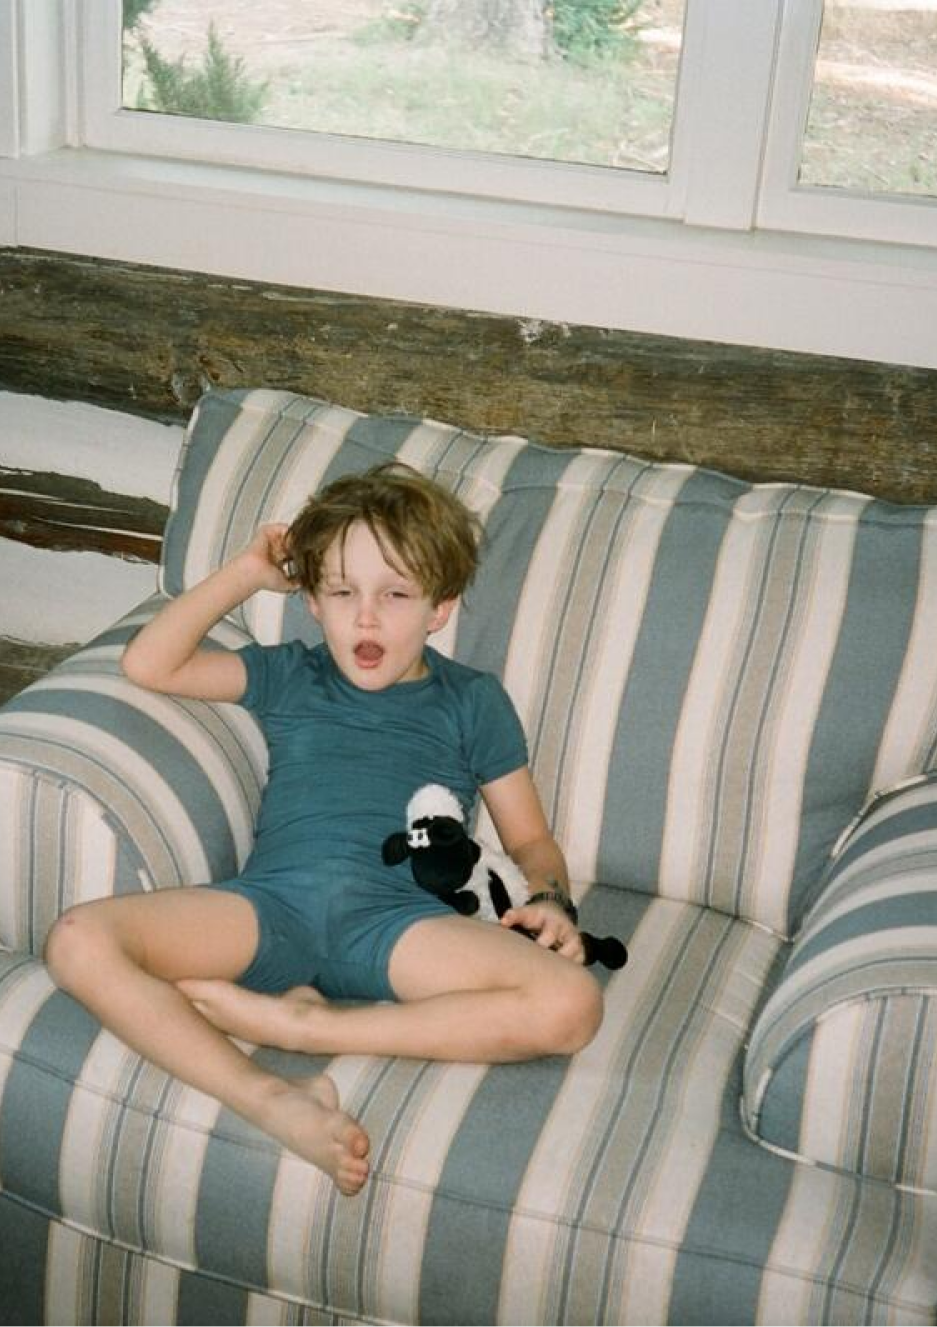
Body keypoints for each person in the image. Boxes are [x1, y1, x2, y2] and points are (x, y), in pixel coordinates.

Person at [43, 463, 603, 1198]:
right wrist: (247, 570)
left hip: (397, 925)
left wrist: (552, 899)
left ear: (440, 606)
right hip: (270, 908)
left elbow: (529, 838)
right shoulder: (291, 673)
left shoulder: (472, 700)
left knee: (573, 1003)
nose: (365, 619)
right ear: (311, 598)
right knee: (77, 939)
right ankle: (272, 1098)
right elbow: (150, 662)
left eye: (395, 594)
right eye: (342, 593)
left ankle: (308, 1030)